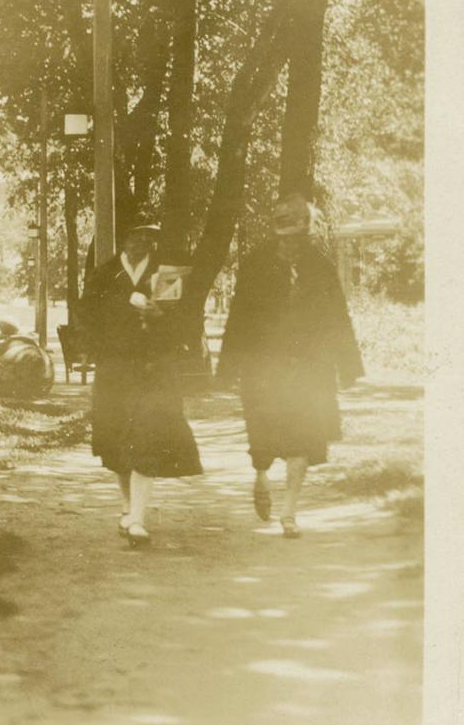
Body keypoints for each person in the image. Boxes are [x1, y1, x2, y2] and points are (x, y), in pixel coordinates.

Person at [217, 194, 363, 538]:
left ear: (307, 233)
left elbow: (337, 317)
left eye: (298, 237)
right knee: (264, 438)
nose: (292, 244)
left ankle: (289, 513)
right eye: (285, 237)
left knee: (303, 440)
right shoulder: (256, 264)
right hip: (265, 368)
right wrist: (228, 367)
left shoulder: (320, 266)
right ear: (276, 233)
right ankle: (262, 478)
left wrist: (348, 365)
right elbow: (238, 316)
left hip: (310, 369)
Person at [80, 219, 203, 547]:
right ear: (123, 240)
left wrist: (160, 318)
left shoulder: (166, 277)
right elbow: (87, 318)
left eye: (147, 237)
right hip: (115, 370)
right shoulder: (105, 275)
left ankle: (137, 518)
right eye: (134, 236)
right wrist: (94, 351)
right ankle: (127, 506)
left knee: (147, 438)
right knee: (118, 441)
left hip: (153, 368)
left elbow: (184, 321)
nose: (140, 243)